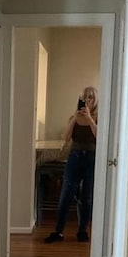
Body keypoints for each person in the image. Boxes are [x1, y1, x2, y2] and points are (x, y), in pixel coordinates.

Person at [44, 86, 98, 243]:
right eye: (85, 97)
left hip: (91, 158)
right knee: (66, 193)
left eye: (91, 98)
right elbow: (67, 138)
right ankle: (58, 231)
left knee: (87, 196)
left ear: (95, 101)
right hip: (74, 157)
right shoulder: (73, 117)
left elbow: (99, 137)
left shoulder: (98, 117)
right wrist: (75, 118)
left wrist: (89, 119)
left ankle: (83, 230)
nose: (87, 100)